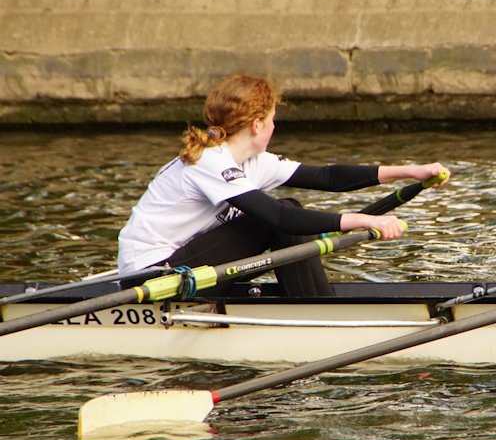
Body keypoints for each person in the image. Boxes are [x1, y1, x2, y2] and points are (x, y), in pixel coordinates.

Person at [118, 74, 450, 297]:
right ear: (258, 124)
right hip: (152, 278)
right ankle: (318, 310)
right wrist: (366, 220)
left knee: (285, 210)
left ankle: (315, 304)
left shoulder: (252, 162)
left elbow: (327, 177)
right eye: (273, 119)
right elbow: (281, 219)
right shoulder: (209, 161)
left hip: (187, 266)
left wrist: (411, 171)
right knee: (284, 213)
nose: (275, 126)